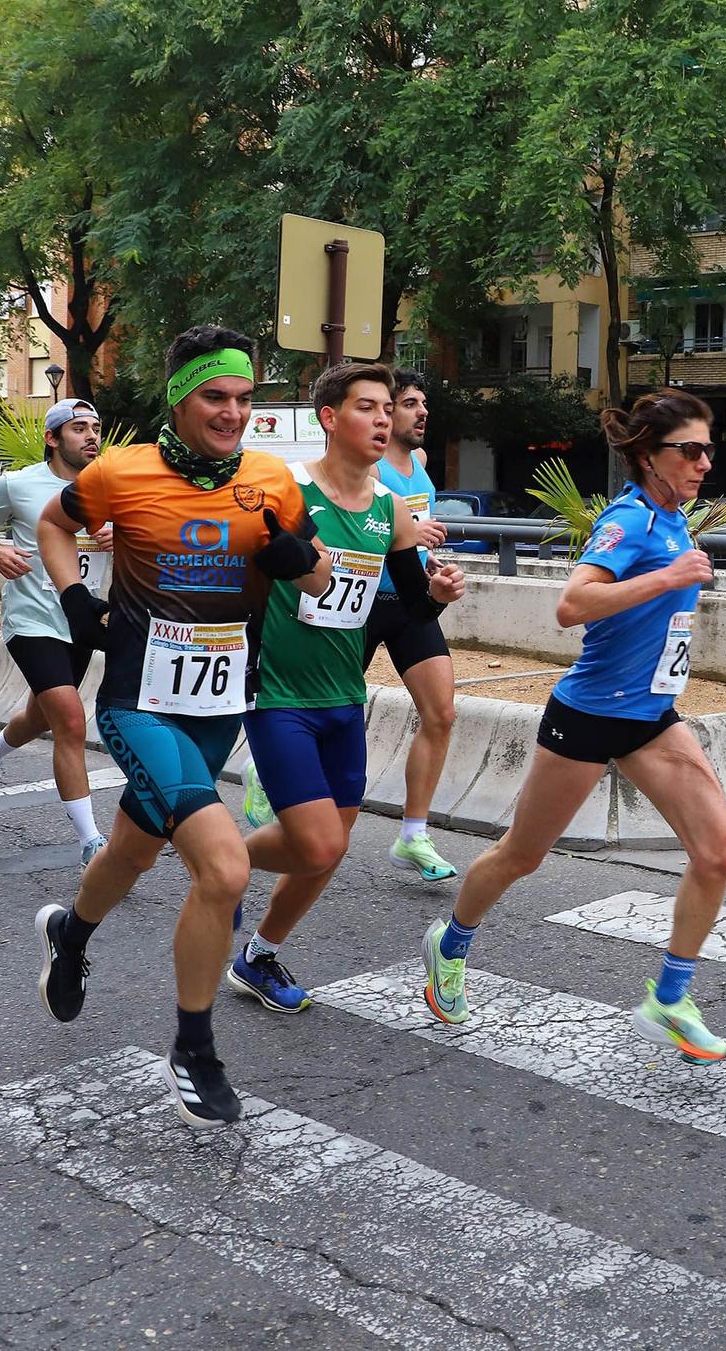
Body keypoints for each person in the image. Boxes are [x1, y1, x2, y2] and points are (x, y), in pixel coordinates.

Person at [30, 325, 331, 1128]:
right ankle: (194, 1050)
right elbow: (54, 526)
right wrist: (72, 599)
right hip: (138, 702)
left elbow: (321, 576)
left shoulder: (272, 480)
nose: (232, 413)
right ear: (179, 397)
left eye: (244, 398)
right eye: (215, 397)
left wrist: (296, 559)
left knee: (134, 846)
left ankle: (70, 932)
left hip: (220, 707)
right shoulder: (121, 472)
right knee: (224, 870)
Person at [420, 388, 726, 1065]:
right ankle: (450, 942)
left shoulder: (675, 518)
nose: (703, 462)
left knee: (716, 854)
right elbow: (573, 605)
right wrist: (667, 579)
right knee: (521, 857)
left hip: (651, 716)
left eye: (708, 449)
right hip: (589, 717)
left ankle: (670, 999)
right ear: (650, 457)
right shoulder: (629, 522)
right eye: (689, 450)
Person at [229, 362, 466, 1013]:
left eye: (388, 407)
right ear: (330, 419)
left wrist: (438, 595)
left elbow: (412, 611)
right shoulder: (286, 494)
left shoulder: (391, 511)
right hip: (278, 695)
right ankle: (222, 866)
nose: (384, 418)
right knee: (321, 842)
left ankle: (258, 954)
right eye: (368, 407)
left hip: (342, 699)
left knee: (327, 851)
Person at [0, 399, 114, 866]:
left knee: (42, 716)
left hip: (82, 621)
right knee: (69, 719)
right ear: (52, 438)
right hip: (31, 618)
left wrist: (122, 537)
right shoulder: (19, 484)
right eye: (78, 428)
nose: (91, 436)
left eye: (95, 428)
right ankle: (92, 841)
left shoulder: (115, 485)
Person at [361, 369, 460, 882]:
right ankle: (265, 772)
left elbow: (416, 536)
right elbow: (356, 525)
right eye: (410, 403)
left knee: (441, 712)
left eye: (425, 403)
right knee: (324, 706)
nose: (422, 412)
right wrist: (405, 531)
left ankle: (413, 835)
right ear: (386, 412)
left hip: (410, 601)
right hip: (358, 603)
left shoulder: (419, 462)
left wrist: (430, 565)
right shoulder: (368, 468)